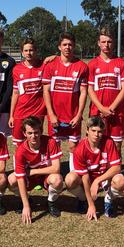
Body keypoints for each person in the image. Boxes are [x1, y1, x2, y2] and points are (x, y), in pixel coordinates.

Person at [65, 116, 124, 221]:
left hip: (104, 177)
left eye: (100, 131)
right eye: (93, 130)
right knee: (70, 180)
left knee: (120, 181)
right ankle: (83, 199)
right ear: (87, 130)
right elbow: (85, 177)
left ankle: (108, 200)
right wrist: (91, 205)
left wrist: (97, 181)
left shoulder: (109, 142)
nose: (96, 135)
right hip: (87, 178)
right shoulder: (80, 149)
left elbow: (117, 168)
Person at [42, 32, 89, 170]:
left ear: (74, 46)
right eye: (64, 45)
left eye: (70, 44)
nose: (67, 47)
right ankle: (53, 174)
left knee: (73, 146)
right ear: (59, 47)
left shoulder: (82, 67)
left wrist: (79, 114)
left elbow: (83, 92)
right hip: (55, 115)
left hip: (73, 115)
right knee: (54, 145)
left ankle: (73, 175)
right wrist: (51, 114)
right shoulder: (50, 65)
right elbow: (46, 91)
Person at [7, 116, 64, 223]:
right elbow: (20, 177)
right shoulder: (20, 151)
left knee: (58, 179)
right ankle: (27, 199)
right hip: (30, 179)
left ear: (41, 131)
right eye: (30, 133)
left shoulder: (50, 142)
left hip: (46, 177)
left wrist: (33, 171)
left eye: (36, 132)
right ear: (24, 134)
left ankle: (51, 202)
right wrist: (26, 206)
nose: (33, 136)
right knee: (11, 179)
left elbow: (56, 168)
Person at [87, 28, 124, 154]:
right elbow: (90, 89)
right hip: (97, 112)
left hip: (116, 113)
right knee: (96, 144)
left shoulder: (121, 63)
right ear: (98, 43)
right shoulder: (92, 64)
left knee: (116, 146)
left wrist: (111, 108)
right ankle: (98, 172)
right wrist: (101, 108)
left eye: (109, 42)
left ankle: (116, 172)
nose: (106, 45)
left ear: (113, 43)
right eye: (104, 41)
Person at [9, 39, 46, 146]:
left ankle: (36, 162)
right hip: (21, 111)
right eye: (26, 50)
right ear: (22, 52)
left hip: (38, 111)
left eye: (31, 50)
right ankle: (20, 163)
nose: (28, 53)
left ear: (36, 51)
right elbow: (15, 93)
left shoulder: (44, 66)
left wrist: (53, 57)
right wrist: (11, 115)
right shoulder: (17, 69)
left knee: (36, 140)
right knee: (19, 143)